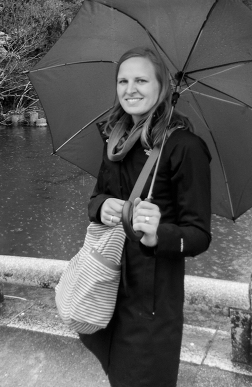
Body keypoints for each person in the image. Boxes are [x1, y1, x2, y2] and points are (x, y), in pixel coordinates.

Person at [80, 46, 212, 387]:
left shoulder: (185, 147)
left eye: (141, 79)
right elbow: (95, 199)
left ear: (161, 87)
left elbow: (198, 234)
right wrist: (103, 206)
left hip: (152, 304)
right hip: (108, 285)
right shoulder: (116, 140)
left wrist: (158, 234)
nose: (130, 89)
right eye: (123, 80)